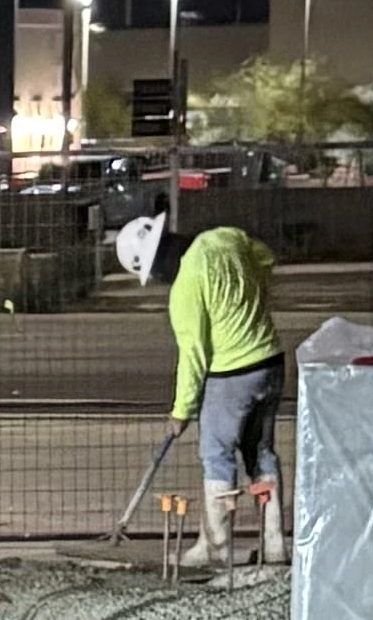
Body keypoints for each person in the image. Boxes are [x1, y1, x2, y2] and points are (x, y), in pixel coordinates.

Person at [114, 202, 288, 564]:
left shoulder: (185, 287)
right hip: (270, 361)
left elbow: (193, 355)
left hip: (231, 374)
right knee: (261, 453)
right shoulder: (225, 238)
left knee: (217, 456)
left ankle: (215, 549)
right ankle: (274, 547)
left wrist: (181, 411)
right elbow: (266, 259)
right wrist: (250, 298)